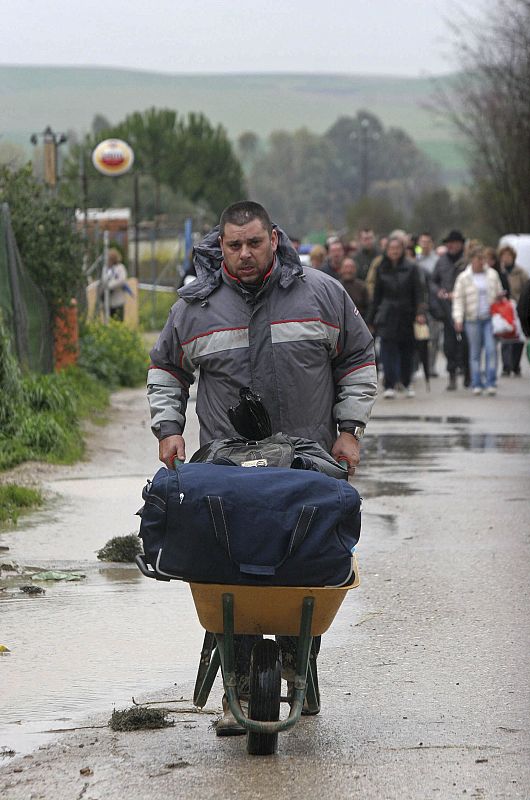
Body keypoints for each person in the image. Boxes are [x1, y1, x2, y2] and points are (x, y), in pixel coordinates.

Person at [146, 201, 377, 735]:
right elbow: (166, 371)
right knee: (233, 571)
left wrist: (349, 429)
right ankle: (241, 682)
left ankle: (298, 664)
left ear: (274, 238)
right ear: (219, 246)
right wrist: (169, 429)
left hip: (308, 464)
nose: (245, 255)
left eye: (254, 243)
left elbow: (359, 359)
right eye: (233, 246)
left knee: (304, 568)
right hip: (229, 469)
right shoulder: (194, 306)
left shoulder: (322, 293)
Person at [368, 235, 425, 398]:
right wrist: (370, 319)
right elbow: (377, 296)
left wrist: (420, 312)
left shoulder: (412, 267)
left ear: (402, 250)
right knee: (387, 351)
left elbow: (419, 292)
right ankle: (390, 384)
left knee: (407, 351)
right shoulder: (381, 268)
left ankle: (406, 383)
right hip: (387, 314)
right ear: (387, 250)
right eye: (391, 249)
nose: (394, 252)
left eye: (397, 249)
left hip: (407, 314)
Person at [452, 244, 502, 395]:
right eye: (478, 259)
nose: (482, 262)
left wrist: (499, 298)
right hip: (472, 319)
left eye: (483, 259)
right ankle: (476, 382)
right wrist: (458, 318)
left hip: (490, 318)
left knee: (491, 350)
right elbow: (458, 300)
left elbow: (499, 292)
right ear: (471, 260)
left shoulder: (492, 275)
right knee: (475, 353)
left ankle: (491, 381)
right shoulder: (463, 278)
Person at [432, 230, 469, 391]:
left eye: (453, 242)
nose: (450, 245)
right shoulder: (441, 261)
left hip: (465, 307)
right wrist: (438, 291)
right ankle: (452, 375)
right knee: (449, 345)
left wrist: (460, 294)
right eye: (448, 243)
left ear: (461, 244)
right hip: (446, 308)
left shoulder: (467, 261)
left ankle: (468, 374)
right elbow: (433, 281)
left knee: (466, 343)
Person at [498, 244, 529, 376]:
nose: (505, 258)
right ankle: (506, 366)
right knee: (505, 336)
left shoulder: (521, 272)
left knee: (517, 337)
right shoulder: (499, 273)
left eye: (508, 256)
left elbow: (528, 290)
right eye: (503, 256)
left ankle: (515, 365)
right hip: (504, 308)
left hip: (518, 307)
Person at [417, 233, 441, 377]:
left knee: (434, 337)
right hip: (420, 304)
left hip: (433, 304)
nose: (424, 245)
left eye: (427, 242)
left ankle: (431, 366)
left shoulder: (437, 261)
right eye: (422, 242)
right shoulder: (416, 260)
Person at [100, 248, 128, 321]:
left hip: (118, 301)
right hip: (108, 302)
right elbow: (104, 280)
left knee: (118, 320)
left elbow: (122, 280)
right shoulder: (106, 268)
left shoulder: (120, 268)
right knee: (109, 320)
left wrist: (110, 285)